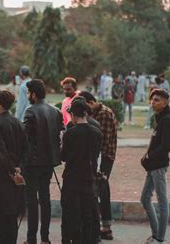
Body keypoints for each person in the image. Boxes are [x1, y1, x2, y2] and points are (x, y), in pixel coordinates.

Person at [23, 79, 63, 244]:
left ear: (33, 93)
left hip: (33, 163)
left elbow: (25, 138)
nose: (27, 96)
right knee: (45, 198)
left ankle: (31, 238)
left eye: (28, 93)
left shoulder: (30, 111)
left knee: (32, 201)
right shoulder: (56, 111)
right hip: (49, 161)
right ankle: (45, 238)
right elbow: (60, 135)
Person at [60, 99, 102, 244]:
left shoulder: (70, 134)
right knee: (87, 214)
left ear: (72, 114)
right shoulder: (97, 132)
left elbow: (63, 157)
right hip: (88, 177)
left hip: (72, 177)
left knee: (69, 213)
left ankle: (68, 239)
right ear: (85, 113)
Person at [0, 90, 29, 244]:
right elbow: (26, 150)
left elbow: (2, 151)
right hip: (17, 175)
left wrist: (11, 170)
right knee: (12, 217)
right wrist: (19, 169)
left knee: (0, 217)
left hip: (2, 176)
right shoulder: (19, 123)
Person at [79, 91, 118, 241]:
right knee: (102, 190)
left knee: (97, 190)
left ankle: (100, 229)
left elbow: (102, 141)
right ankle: (105, 228)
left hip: (104, 157)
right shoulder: (99, 112)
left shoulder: (103, 114)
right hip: (102, 157)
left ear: (90, 102)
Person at [141, 89, 170, 244]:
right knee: (144, 199)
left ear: (165, 102)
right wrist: (146, 156)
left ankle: (160, 238)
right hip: (152, 167)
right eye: (152, 100)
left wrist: (149, 156)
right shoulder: (160, 118)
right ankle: (156, 234)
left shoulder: (168, 120)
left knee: (162, 202)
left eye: (157, 100)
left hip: (159, 167)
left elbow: (165, 147)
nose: (153, 102)